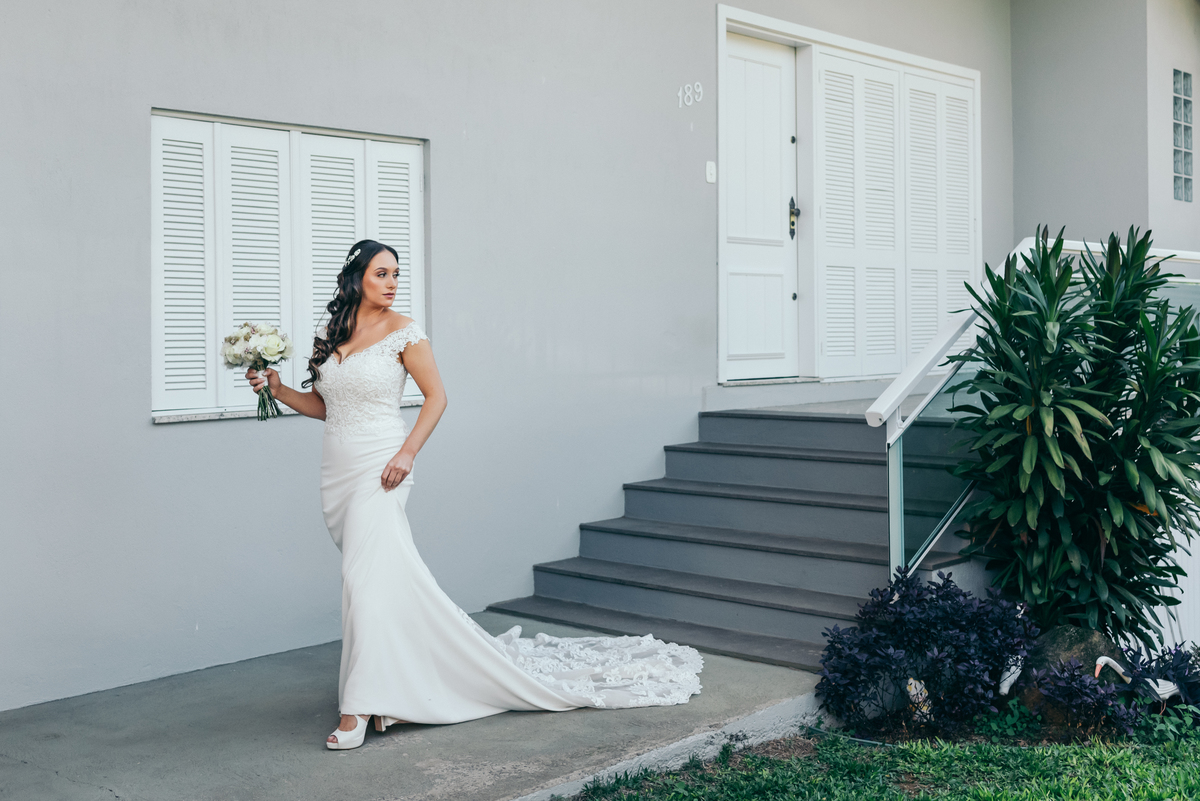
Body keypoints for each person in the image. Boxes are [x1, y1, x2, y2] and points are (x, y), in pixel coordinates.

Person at [249, 240, 703, 750]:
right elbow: (327, 406)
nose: (393, 282)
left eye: (396, 273)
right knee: (381, 581)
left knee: (362, 580)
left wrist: (407, 454)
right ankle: (399, 687)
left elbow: (438, 398)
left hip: (384, 467)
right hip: (338, 468)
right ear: (356, 279)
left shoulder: (406, 332)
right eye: (381, 273)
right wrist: (277, 389)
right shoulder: (330, 332)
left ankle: (358, 706)